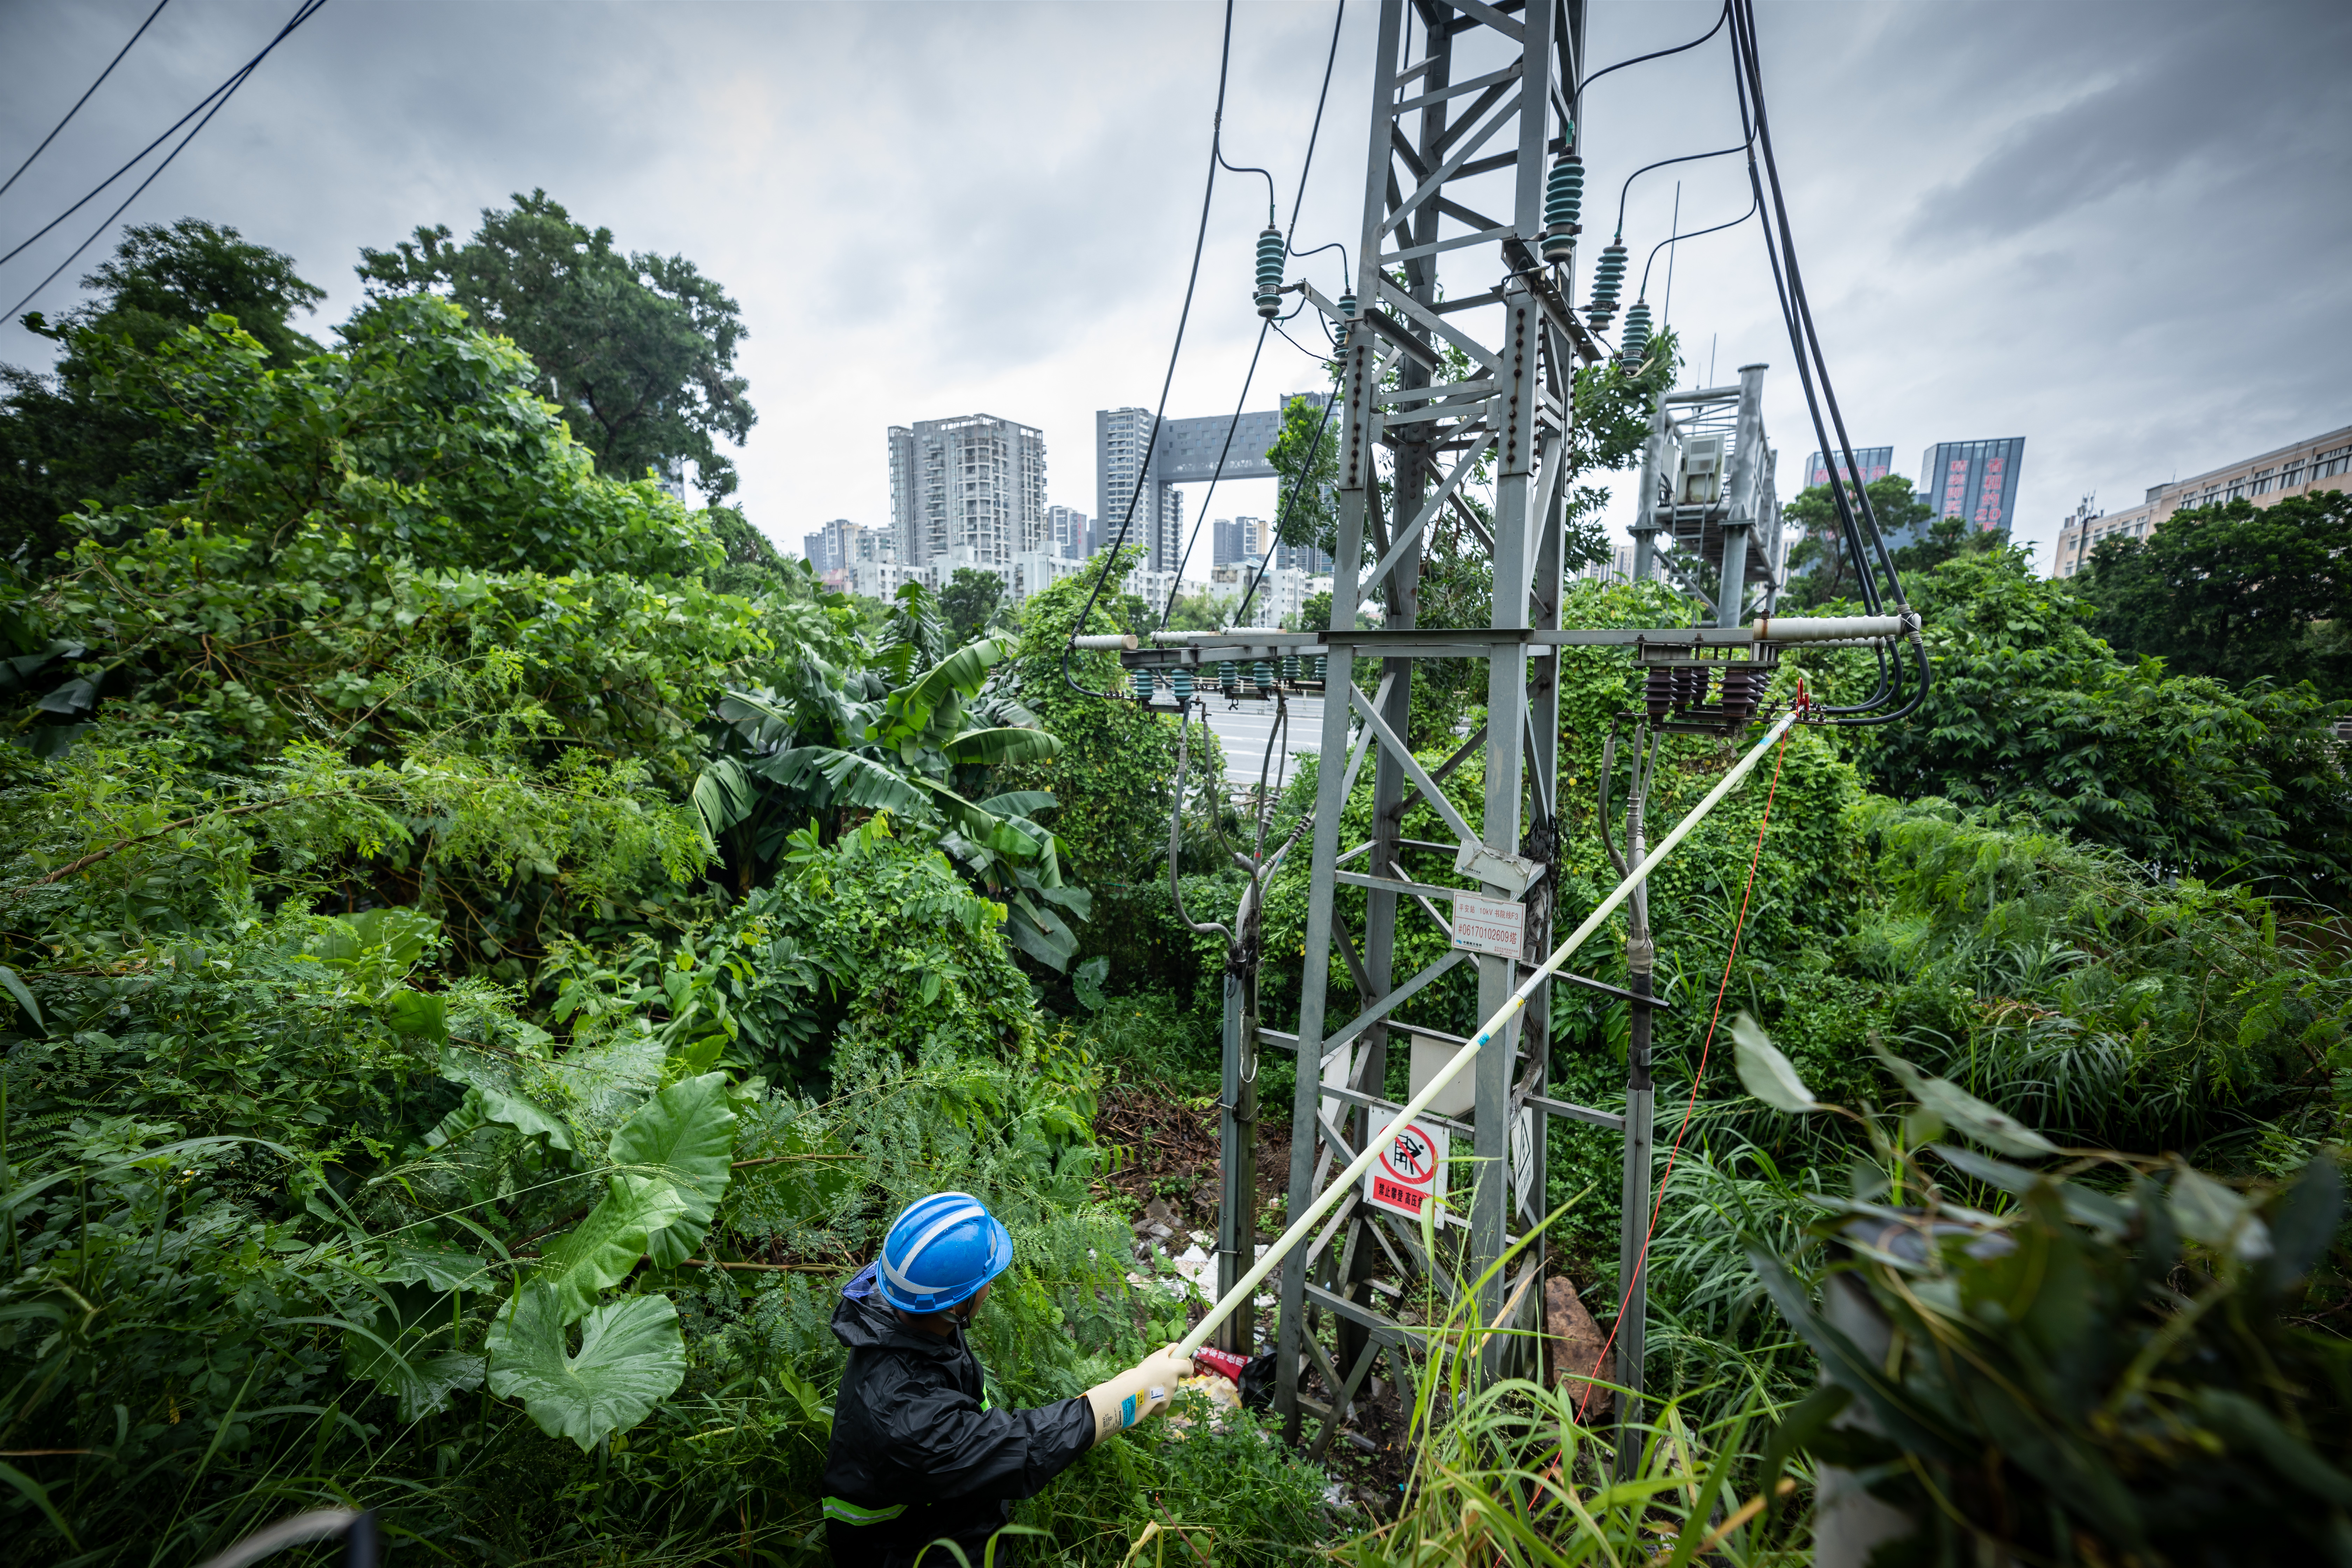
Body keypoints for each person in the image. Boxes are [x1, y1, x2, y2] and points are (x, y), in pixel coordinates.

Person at [822, 1192, 1194, 1568]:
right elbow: (1021, 1450)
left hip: (944, 1514)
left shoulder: (907, 1312)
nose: (989, 1286)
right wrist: (1139, 1392)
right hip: (909, 1552)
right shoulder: (904, 1416)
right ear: (957, 1304)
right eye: (985, 1280)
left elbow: (979, 1442)